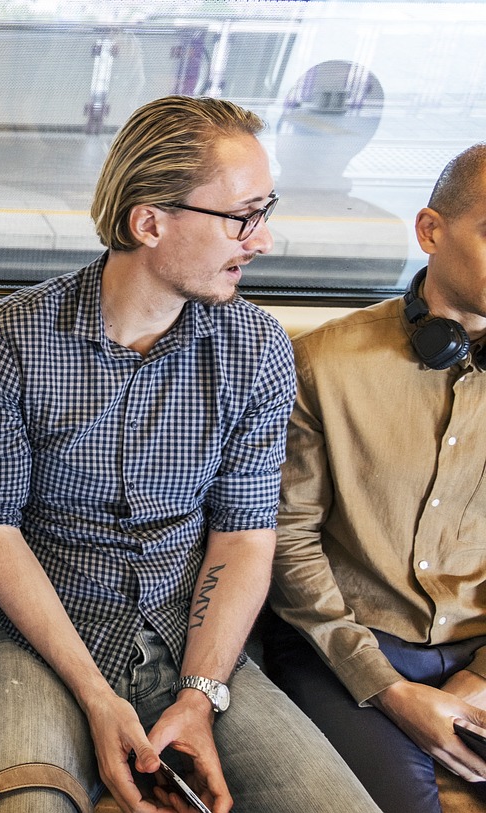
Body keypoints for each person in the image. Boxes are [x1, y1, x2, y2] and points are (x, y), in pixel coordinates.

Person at [0, 95, 380, 813]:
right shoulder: (13, 338)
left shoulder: (257, 349)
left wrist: (200, 693)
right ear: (149, 222)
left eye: (265, 209)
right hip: (41, 635)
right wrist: (94, 693)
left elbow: (244, 532)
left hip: (194, 635)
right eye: (244, 216)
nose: (263, 239)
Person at [266, 142, 486, 812]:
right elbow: (289, 547)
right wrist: (388, 687)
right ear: (430, 231)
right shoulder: (320, 365)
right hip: (346, 650)